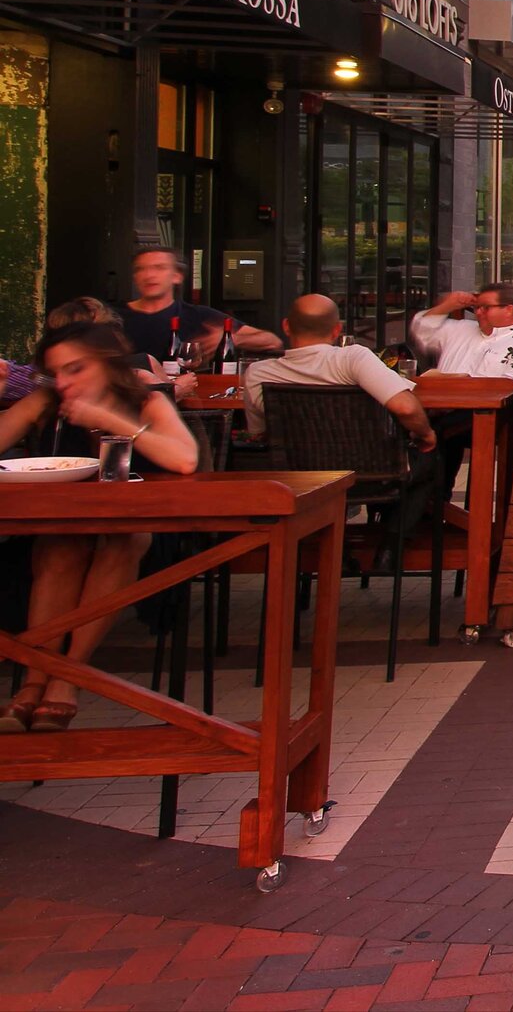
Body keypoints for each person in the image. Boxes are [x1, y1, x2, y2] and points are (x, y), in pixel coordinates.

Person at [0, 322, 197, 733]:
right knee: (61, 546)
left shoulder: (144, 399)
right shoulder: (47, 401)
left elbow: (185, 459)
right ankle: (36, 680)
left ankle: (68, 676)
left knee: (123, 540)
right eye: (56, 373)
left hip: (144, 539)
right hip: (61, 532)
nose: (64, 382)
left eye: (76, 369)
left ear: (108, 365)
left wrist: (107, 418)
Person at [242, 294, 437, 454]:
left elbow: (258, 434)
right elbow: (406, 408)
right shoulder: (353, 359)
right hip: (365, 472)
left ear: (286, 326)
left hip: (293, 479)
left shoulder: (258, 374)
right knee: (428, 460)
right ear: (337, 330)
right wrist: (426, 433)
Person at [115, 247, 278, 369]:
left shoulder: (198, 316)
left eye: (159, 268)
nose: (149, 275)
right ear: (134, 277)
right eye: (141, 269)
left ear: (177, 276)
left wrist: (232, 339)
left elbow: (272, 341)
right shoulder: (113, 317)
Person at [410, 285, 513, 383]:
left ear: (508, 310)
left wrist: (461, 381)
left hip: (485, 410)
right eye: (477, 307)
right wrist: (447, 306)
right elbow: (421, 330)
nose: (478, 312)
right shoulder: (461, 328)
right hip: (433, 404)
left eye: (486, 307)